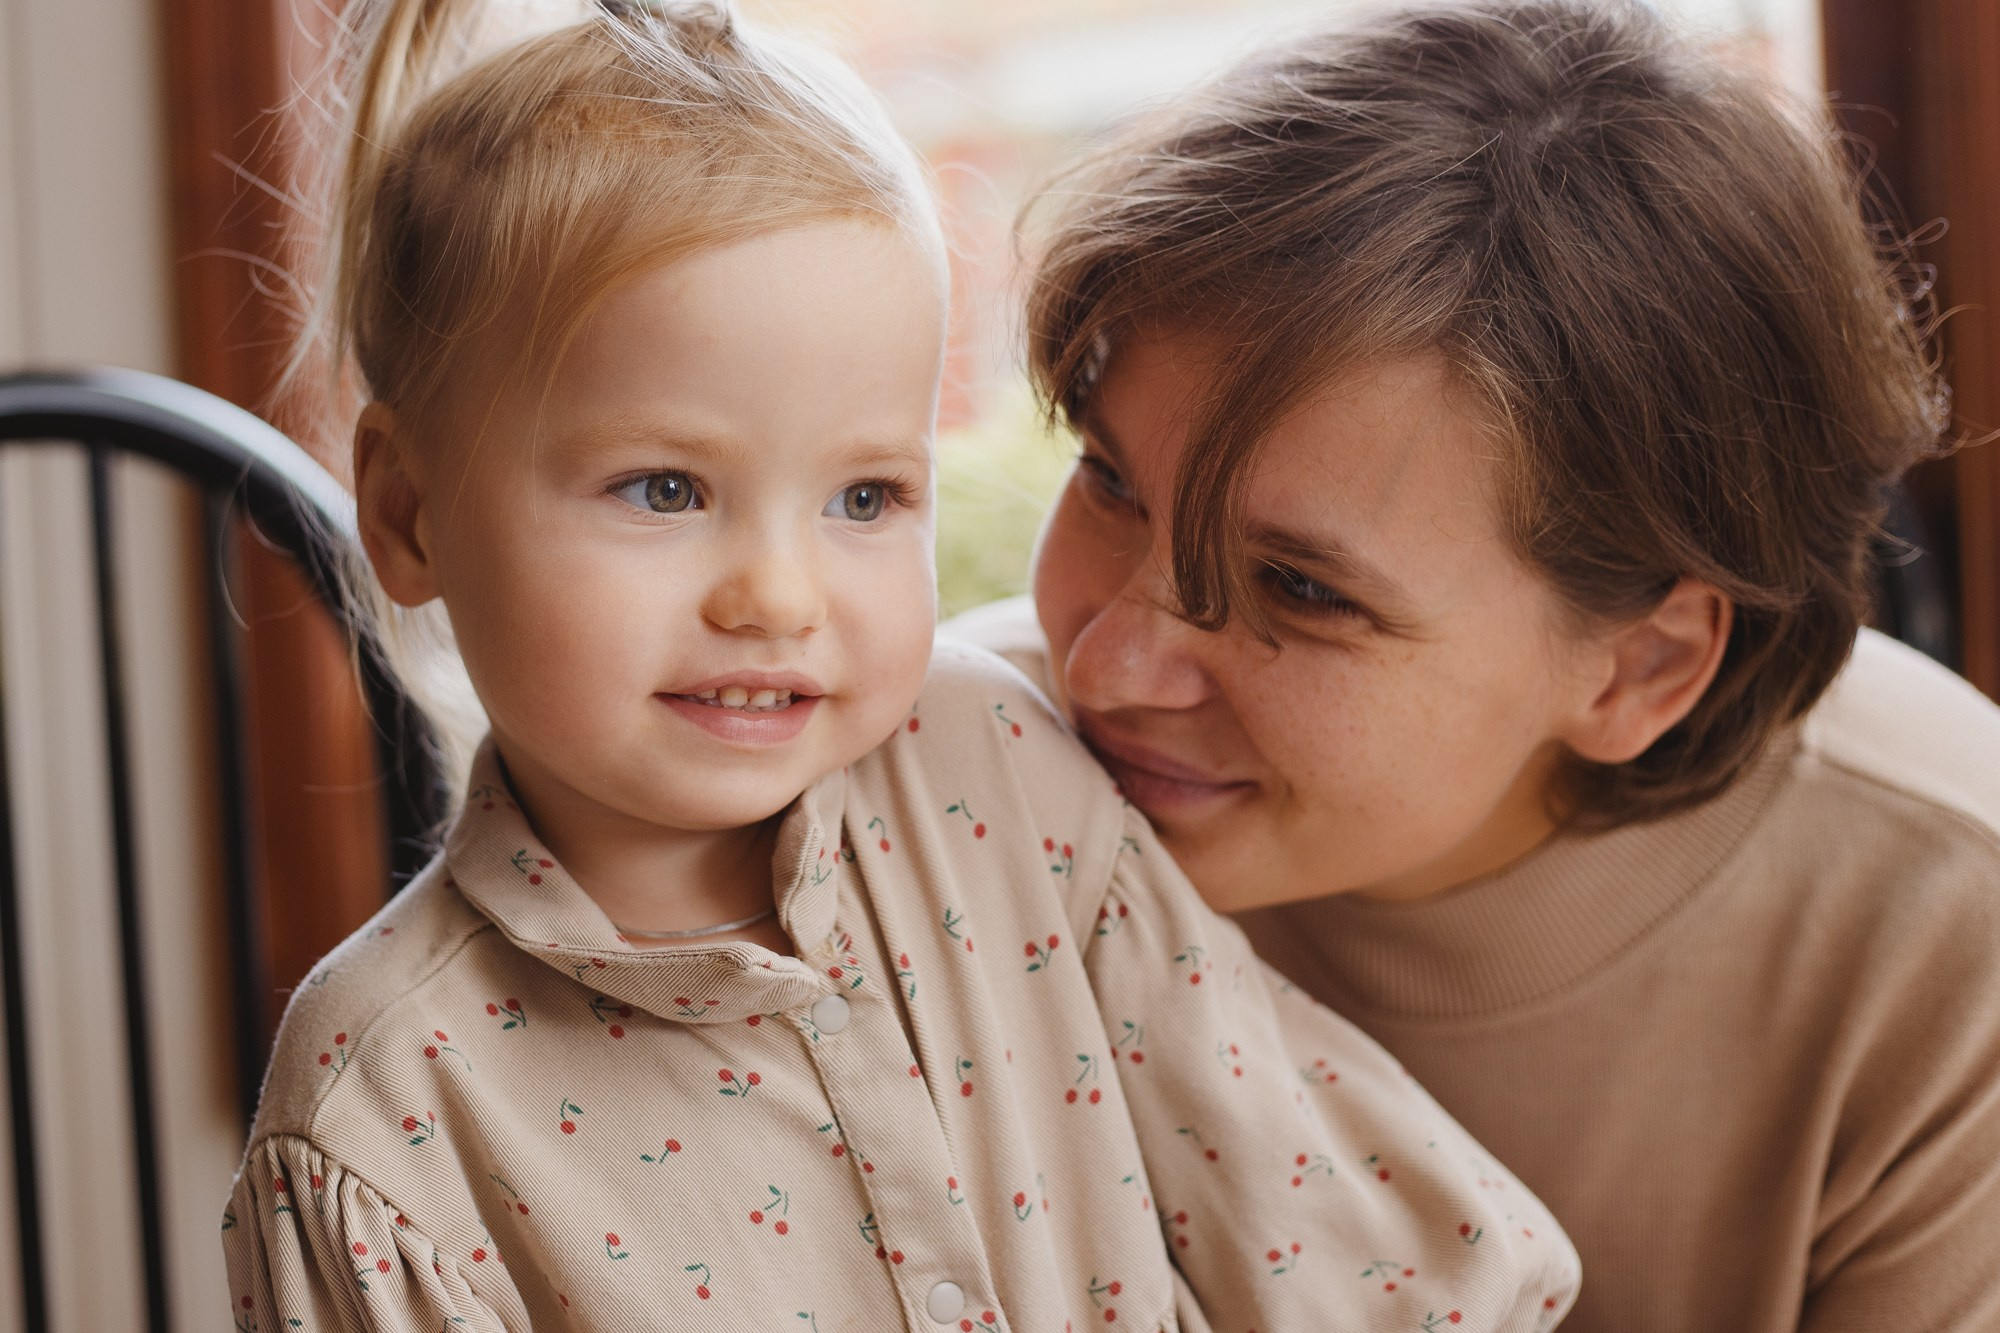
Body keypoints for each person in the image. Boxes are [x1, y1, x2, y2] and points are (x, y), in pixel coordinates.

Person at [220, 2, 1582, 1329]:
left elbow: (1344, 1254)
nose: (776, 593)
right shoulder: (378, 1118)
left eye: (865, 498)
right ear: (408, 516)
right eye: (661, 489)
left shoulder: (1004, 778)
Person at [954, 1, 2000, 1329]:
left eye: (1303, 590)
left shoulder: (1948, 918)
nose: (1107, 665)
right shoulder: (953, 781)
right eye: (1107, 478)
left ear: (1641, 667)